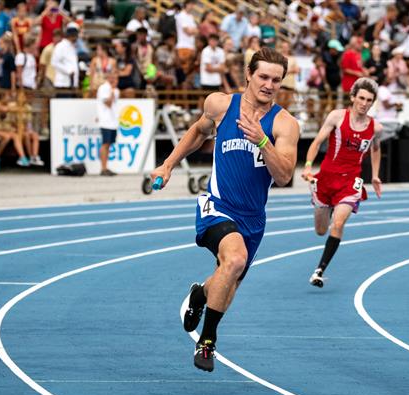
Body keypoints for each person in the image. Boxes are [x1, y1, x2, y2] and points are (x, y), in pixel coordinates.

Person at [149, 47, 299, 372]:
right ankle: (208, 343)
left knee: (227, 284)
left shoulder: (284, 124)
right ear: (248, 73)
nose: (269, 84)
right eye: (263, 76)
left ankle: (201, 294)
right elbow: (197, 132)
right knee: (234, 260)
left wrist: (262, 141)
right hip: (216, 206)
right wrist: (168, 165)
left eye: (276, 79)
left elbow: (285, 175)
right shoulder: (220, 104)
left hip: (253, 220)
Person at [301, 78, 382, 287]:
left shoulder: (375, 127)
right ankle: (325, 206)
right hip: (326, 178)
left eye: (369, 100)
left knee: (338, 224)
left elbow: (376, 149)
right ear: (353, 97)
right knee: (321, 230)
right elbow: (317, 142)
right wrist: (309, 166)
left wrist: (374, 175)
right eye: (361, 98)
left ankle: (319, 271)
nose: (364, 103)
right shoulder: (337, 117)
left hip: (351, 182)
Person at [0, 92, 29, 171]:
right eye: (8, 96)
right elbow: (3, 109)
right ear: (2, 97)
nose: (9, 98)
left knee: (15, 136)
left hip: (5, 129)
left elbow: (20, 108)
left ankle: (22, 157)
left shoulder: (10, 105)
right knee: (6, 137)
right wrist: (16, 108)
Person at [96, 70, 120, 176]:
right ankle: (103, 168)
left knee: (109, 144)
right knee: (105, 144)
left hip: (113, 121)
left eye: (116, 78)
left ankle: (106, 167)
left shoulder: (115, 90)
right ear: (108, 77)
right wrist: (112, 90)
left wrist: (114, 90)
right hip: (105, 121)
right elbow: (109, 103)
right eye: (113, 78)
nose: (115, 80)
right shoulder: (103, 88)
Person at [51, 25, 79, 96]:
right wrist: (68, 71)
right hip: (62, 83)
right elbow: (54, 62)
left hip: (71, 84)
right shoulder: (61, 46)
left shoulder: (72, 47)